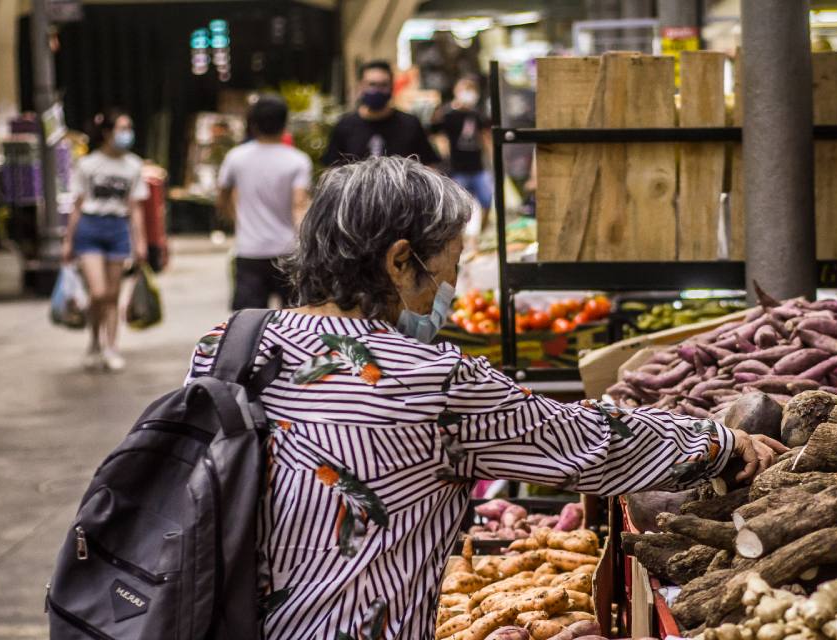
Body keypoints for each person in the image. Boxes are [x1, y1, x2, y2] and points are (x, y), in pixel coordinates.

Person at [185, 156, 785, 638]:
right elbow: (588, 442)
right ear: (400, 262)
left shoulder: (228, 343)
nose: (449, 289)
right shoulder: (432, 382)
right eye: (448, 268)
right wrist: (719, 442)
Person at [64, 110, 148, 372]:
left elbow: (135, 207)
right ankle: (94, 341)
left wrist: (141, 241)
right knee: (98, 293)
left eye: (129, 128)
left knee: (113, 295)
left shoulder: (134, 165)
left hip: (118, 228)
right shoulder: (88, 164)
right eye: (122, 128)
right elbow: (77, 205)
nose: (127, 134)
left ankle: (111, 347)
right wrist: (68, 240)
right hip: (90, 227)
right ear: (107, 132)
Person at [217, 94, 313, 310]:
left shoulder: (236, 157)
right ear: (285, 123)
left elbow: (222, 198)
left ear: (253, 123)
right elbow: (299, 206)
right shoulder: (298, 161)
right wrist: (306, 245)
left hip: (249, 251)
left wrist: (238, 221)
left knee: (249, 321)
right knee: (293, 319)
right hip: (287, 251)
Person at [321, 60, 440, 167]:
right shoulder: (345, 126)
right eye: (372, 84)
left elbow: (429, 166)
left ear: (392, 87)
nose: (377, 90)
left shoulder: (410, 124)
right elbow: (332, 170)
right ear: (361, 86)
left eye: (383, 85)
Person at [432, 76, 493, 213]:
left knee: (487, 200)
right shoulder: (447, 114)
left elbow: (485, 137)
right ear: (456, 91)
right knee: (457, 207)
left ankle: (482, 227)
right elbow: (436, 134)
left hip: (478, 167)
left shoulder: (476, 115)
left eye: (472, 90)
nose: (469, 93)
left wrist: (491, 159)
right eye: (465, 89)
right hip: (457, 168)